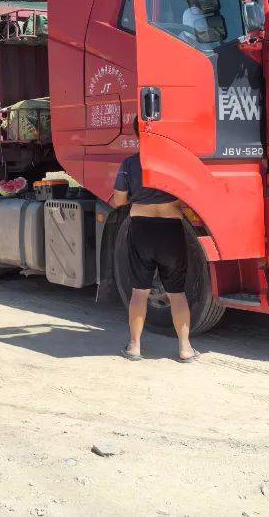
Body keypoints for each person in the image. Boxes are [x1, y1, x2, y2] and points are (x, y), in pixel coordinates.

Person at [111, 121, 200, 363]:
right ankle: (185, 349)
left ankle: (135, 347)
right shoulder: (176, 161)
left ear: (138, 135)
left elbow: (119, 201)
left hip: (141, 229)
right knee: (177, 294)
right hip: (171, 230)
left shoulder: (130, 164)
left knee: (139, 292)